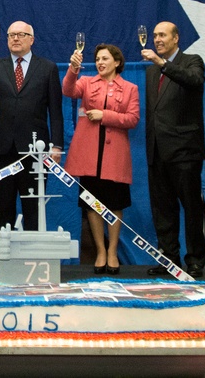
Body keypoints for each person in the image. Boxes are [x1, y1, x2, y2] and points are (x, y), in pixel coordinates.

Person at [0, 21, 63, 255]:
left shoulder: (48, 67)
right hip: (1, 148)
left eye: (20, 35)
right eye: (11, 35)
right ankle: (2, 260)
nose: (15, 39)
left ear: (32, 39)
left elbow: (56, 110)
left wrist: (58, 145)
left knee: (33, 206)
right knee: (2, 208)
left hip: (36, 150)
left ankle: (31, 258)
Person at [62, 44, 140, 274]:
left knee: (115, 204)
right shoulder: (86, 82)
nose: (100, 62)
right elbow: (68, 90)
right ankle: (100, 251)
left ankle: (113, 251)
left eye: (105, 58)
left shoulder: (130, 88)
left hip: (115, 156)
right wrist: (73, 69)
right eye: (97, 59)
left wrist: (105, 115)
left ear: (117, 62)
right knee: (92, 205)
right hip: (89, 155)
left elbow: (133, 118)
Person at [141, 22, 205, 278]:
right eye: (155, 35)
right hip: (157, 151)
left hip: (184, 151)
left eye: (162, 35)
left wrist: (163, 63)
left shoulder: (192, 60)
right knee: (162, 209)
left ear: (176, 38)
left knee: (192, 208)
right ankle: (169, 258)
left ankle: (195, 261)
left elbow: (194, 81)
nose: (157, 39)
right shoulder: (150, 72)